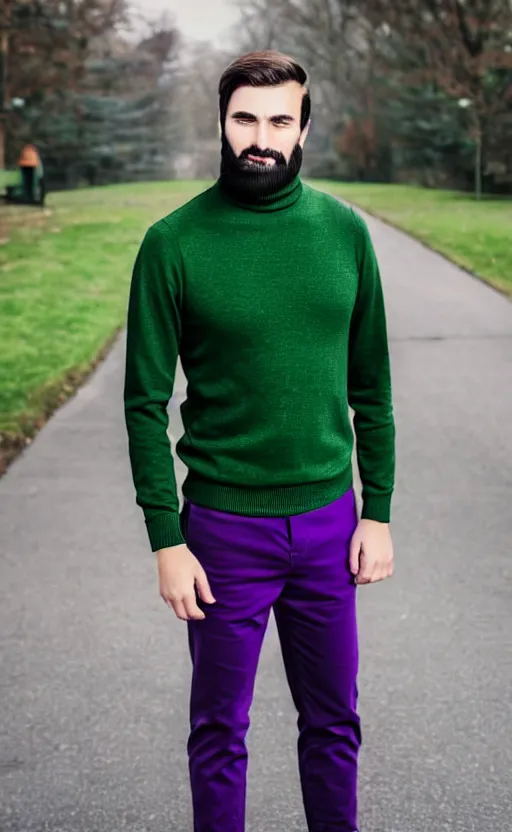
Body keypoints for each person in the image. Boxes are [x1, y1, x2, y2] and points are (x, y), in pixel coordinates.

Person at [124, 50, 395, 832]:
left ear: (305, 127)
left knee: (335, 723)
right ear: (221, 120)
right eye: (245, 117)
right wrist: (165, 540)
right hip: (220, 536)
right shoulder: (173, 242)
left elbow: (372, 387)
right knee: (219, 731)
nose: (261, 137)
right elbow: (144, 403)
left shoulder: (345, 234)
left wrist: (376, 511)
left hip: (327, 528)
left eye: (280, 120)